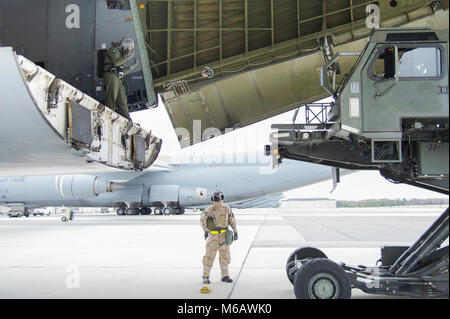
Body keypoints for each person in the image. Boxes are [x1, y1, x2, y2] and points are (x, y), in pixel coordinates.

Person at [200, 191, 238, 285]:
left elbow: (231, 220)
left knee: (225, 256)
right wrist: (205, 230)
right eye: (216, 198)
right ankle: (205, 276)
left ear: (222, 198)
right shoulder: (209, 210)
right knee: (209, 256)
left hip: (224, 235)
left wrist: (235, 231)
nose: (217, 200)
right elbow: (202, 219)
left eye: (218, 198)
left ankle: (225, 276)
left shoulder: (227, 209)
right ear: (213, 199)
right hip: (213, 236)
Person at [103, 37, 138, 120]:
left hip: (118, 78)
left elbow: (121, 72)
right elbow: (116, 63)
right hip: (111, 76)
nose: (129, 50)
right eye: (129, 47)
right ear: (125, 44)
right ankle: (108, 116)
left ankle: (127, 120)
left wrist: (131, 67)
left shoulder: (121, 56)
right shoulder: (113, 50)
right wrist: (128, 57)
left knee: (122, 101)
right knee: (111, 97)